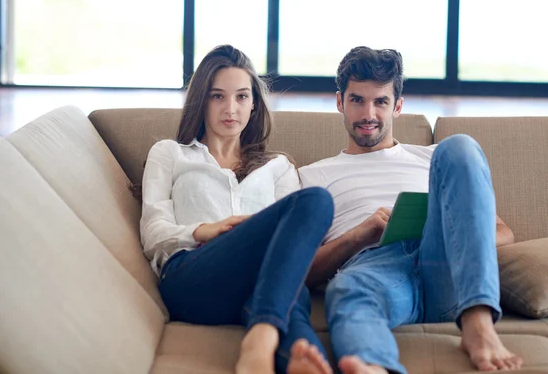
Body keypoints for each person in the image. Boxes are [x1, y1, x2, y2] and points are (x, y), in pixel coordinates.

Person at [295, 46, 524, 373]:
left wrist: (450, 233)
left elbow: (503, 234)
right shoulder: (312, 175)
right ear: (339, 102)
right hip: (376, 267)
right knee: (347, 288)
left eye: (381, 102)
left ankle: (477, 320)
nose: (368, 114)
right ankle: (375, 365)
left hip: (443, 262)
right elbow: (301, 271)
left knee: (460, 146)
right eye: (357, 100)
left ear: (398, 106)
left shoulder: (431, 158)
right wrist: (360, 235)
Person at [139, 45, 333, 374]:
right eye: (218, 96)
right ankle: (260, 339)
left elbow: (293, 247)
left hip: (261, 285)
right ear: (201, 100)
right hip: (195, 277)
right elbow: (152, 233)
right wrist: (205, 230)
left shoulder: (278, 167)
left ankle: (301, 358)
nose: (231, 108)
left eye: (242, 97)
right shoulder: (171, 154)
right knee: (314, 201)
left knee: (309, 219)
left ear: (255, 103)